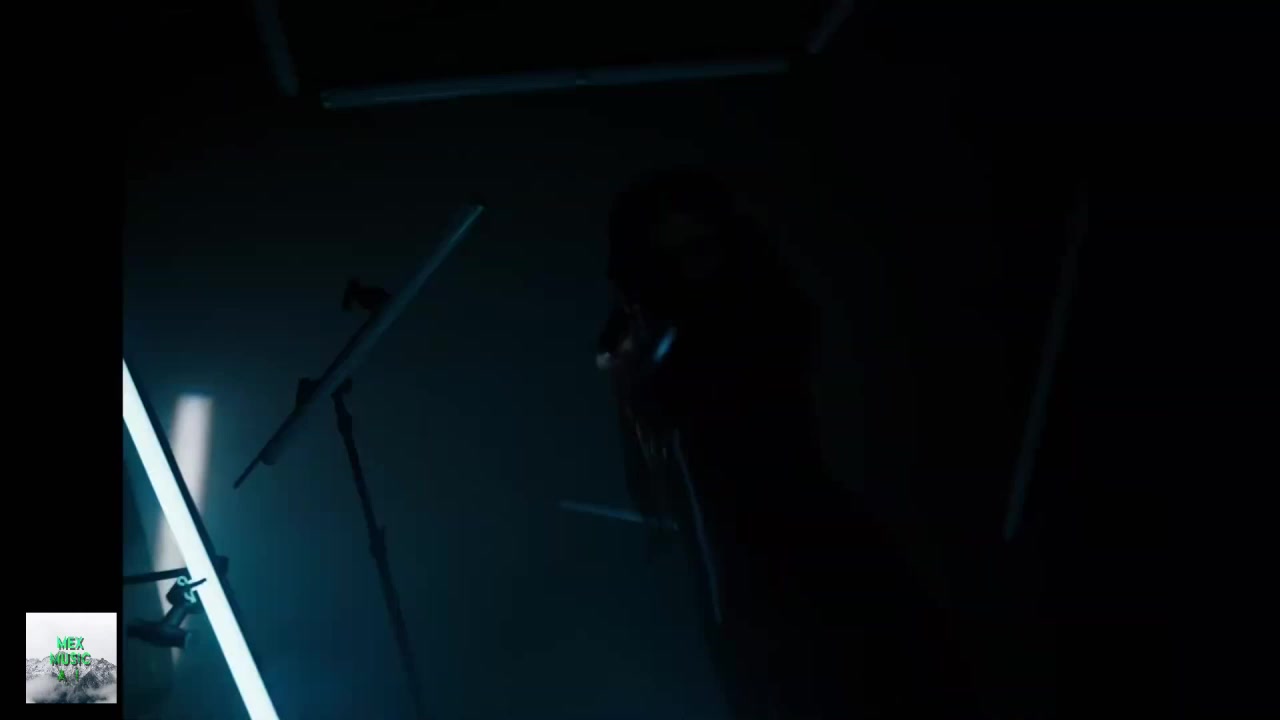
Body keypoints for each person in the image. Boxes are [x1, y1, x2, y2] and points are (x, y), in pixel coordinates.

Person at [597, 168, 972, 719]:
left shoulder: (746, 331)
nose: (690, 271)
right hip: (753, 586)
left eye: (700, 250)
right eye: (670, 260)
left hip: (805, 579)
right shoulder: (661, 344)